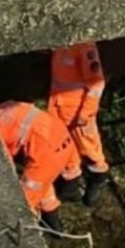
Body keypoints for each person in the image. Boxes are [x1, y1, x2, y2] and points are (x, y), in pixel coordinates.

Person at [0, 100, 78, 233]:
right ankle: (53, 223)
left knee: (24, 199)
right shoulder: (2, 108)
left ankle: (25, 232)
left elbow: (5, 167)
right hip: (58, 133)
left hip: (46, 148)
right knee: (42, 183)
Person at [48, 42, 110, 206]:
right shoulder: (60, 45)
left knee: (89, 148)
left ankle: (98, 178)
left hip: (78, 112)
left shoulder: (85, 47)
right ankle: (70, 184)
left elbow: (97, 84)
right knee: (64, 146)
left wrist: (86, 113)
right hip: (58, 107)